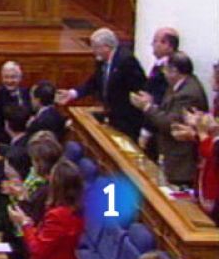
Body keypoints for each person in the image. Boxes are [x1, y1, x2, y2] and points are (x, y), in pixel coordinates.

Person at [130, 51, 208, 186]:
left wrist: (147, 107)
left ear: (174, 71)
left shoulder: (188, 93)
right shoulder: (177, 86)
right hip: (169, 154)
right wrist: (152, 103)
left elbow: (170, 123)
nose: (164, 73)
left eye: (165, 69)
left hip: (181, 161)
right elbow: (166, 110)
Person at [56, 28, 146, 139]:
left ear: (106, 47)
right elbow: (94, 82)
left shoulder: (127, 61)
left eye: (95, 47)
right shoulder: (101, 60)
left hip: (127, 119)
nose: (93, 51)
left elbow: (139, 89)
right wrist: (72, 93)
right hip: (112, 114)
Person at [8, 159, 85, 259]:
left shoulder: (58, 215)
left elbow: (37, 249)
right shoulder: (76, 209)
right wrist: (27, 222)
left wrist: (24, 223)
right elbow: (48, 238)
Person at [140, 28, 180, 160]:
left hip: (159, 128)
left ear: (168, 45)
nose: (152, 45)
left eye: (155, 41)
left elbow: (161, 99)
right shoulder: (159, 65)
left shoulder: (172, 70)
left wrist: (147, 131)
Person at [0, 61, 31, 144]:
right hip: (3, 139)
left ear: (20, 78)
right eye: (6, 77)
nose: (9, 81)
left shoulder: (26, 93)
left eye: (13, 77)